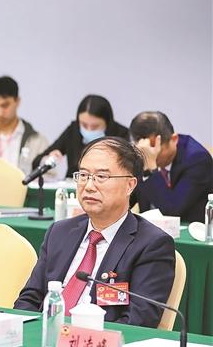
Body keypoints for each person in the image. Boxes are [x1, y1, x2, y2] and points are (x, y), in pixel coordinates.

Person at [14, 137, 175, 328]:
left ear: (130, 185)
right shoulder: (60, 232)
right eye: (83, 175)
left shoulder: (151, 245)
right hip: (45, 337)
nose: (89, 186)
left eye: (101, 176)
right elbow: (30, 299)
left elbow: (137, 322)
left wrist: (73, 338)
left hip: (97, 343)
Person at [130, 111, 213, 223]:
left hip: (188, 230)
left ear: (174, 139)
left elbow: (171, 211)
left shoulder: (198, 159)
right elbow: (128, 198)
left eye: (156, 150)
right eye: (146, 151)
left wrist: (150, 170)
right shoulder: (141, 153)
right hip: (149, 229)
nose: (151, 155)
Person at [33, 94, 129, 178]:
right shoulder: (73, 130)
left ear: (107, 123)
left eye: (95, 126)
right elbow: (37, 162)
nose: (89, 130)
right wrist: (48, 160)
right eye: (84, 125)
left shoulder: (122, 135)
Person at [0, 76, 49, 173]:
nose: (0, 113)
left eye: (5, 105)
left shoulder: (37, 141)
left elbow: (49, 176)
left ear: (17, 101)